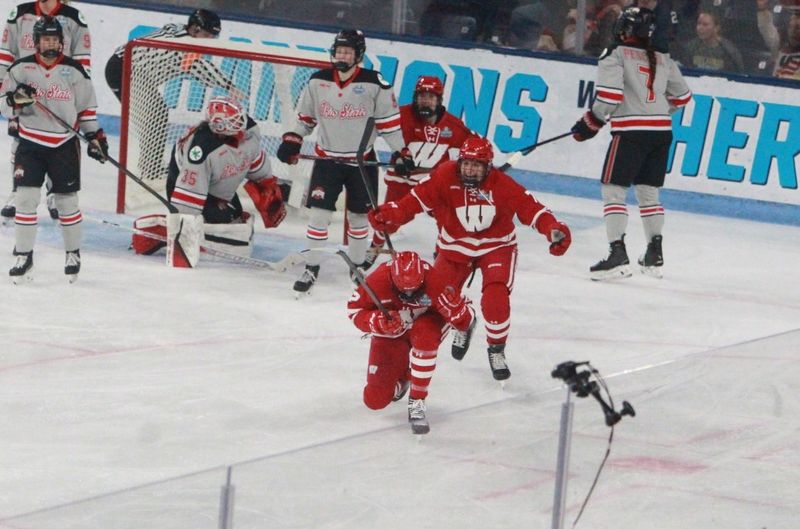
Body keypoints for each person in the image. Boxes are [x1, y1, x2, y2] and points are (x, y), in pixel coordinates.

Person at [368, 137, 572, 381]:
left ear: (487, 166)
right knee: (438, 304)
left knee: (495, 299)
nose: (470, 169)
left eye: (477, 165)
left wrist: (552, 228)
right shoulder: (444, 176)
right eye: (466, 163)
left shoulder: (501, 184)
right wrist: (392, 214)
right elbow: (414, 201)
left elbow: (532, 209)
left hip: (496, 248)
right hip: (454, 249)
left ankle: (496, 349)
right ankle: (464, 324)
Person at [276, 29, 412, 295]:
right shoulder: (318, 81)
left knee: (359, 218)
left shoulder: (376, 83)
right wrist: (292, 139)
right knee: (318, 216)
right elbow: (305, 119)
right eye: (339, 51)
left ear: (358, 55)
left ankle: (358, 265)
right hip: (327, 161)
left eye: (348, 52)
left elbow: (389, 125)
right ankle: (311, 267)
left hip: (361, 162)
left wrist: (402, 152)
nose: (342, 56)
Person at [570, 6, 692, 280]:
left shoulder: (614, 54)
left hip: (631, 133)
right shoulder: (663, 57)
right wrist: (657, 113)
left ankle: (617, 255)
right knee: (649, 194)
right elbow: (683, 97)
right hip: (661, 132)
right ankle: (654, 254)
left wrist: (589, 124)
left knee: (613, 192)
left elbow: (609, 98)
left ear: (627, 30)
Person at [1, 15, 107, 283]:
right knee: (25, 200)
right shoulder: (20, 69)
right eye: (45, 38)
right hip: (30, 143)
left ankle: (73, 253)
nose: (50, 43)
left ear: (62, 42)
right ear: (36, 42)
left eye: (55, 39)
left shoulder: (75, 72)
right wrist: (15, 99)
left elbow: (86, 111)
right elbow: (2, 105)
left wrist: (95, 138)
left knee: (67, 202)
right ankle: (24, 257)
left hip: (63, 145)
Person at [131, 96, 287, 259]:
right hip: (189, 187)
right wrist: (183, 232)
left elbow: (253, 157)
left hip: (218, 181)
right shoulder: (202, 149)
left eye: (240, 118)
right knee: (221, 224)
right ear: (219, 126)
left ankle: (203, 231)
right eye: (234, 121)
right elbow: (188, 197)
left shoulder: (249, 129)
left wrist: (267, 186)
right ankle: (156, 229)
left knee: (236, 217)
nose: (241, 123)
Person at [347, 250, 475, 434]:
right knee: (374, 399)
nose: (408, 293)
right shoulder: (377, 280)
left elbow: (464, 321)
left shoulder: (435, 280)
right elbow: (354, 311)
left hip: (427, 321)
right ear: (393, 279)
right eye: (403, 289)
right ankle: (405, 378)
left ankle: (417, 402)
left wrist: (458, 313)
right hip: (393, 331)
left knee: (424, 338)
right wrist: (378, 321)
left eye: (414, 289)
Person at [105, 8, 239, 182]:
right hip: (122, 70)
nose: (210, 41)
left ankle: (150, 166)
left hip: (131, 70)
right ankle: (150, 169)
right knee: (155, 115)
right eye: (208, 35)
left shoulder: (183, 33)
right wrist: (228, 85)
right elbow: (198, 67)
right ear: (196, 29)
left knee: (156, 115)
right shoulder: (181, 44)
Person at [363, 75, 477, 270]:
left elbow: (474, 145)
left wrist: (480, 165)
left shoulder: (453, 126)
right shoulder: (401, 115)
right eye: (422, 96)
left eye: (431, 97)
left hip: (435, 184)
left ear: (439, 100)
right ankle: (376, 245)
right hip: (402, 180)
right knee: (390, 220)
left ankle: (442, 253)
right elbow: (375, 128)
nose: (426, 101)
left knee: (448, 218)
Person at [0, 0, 92, 222]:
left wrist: (75, 96)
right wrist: (6, 90)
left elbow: (83, 64)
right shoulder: (20, 14)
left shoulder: (73, 17)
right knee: (20, 138)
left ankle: (55, 194)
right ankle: (17, 191)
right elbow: (5, 55)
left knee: (60, 143)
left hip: (60, 93)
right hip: (25, 92)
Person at [774, 12, 800, 80]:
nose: (793, 32)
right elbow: (768, 33)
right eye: (790, 27)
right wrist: (762, 10)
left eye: (798, 28)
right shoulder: (779, 49)